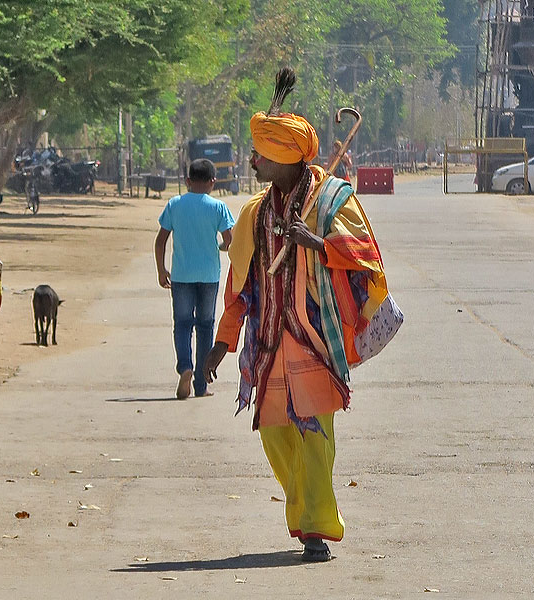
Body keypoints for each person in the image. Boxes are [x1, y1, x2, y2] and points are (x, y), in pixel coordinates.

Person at [203, 68, 389, 562]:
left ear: (285, 157)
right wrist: (222, 344)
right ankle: (303, 509)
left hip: (316, 339)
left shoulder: (332, 202)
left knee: (314, 436)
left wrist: (320, 244)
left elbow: (365, 255)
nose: (252, 160)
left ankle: (315, 529)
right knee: (275, 434)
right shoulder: (253, 215)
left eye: (260, 154)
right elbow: (240, 285)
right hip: (267, 346)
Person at [154, 158, 235, 399]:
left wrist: (161, 270)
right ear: (213, 182)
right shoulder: (217, 207)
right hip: (209, 276)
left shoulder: (174, 204)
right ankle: (201, 384)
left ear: (187, 181)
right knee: (205, 326)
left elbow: (161, 240)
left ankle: (185, 367)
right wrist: (221, 247)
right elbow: (229, 239)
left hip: (181, 276)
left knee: (182, 324)